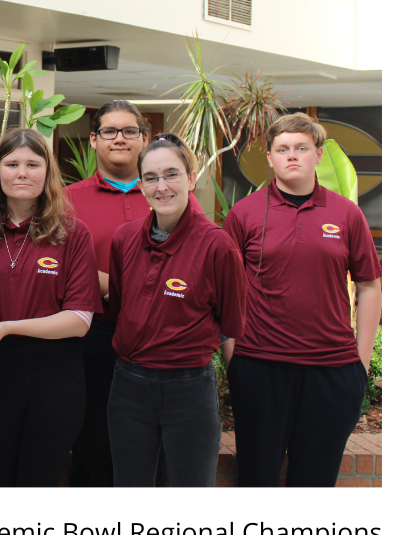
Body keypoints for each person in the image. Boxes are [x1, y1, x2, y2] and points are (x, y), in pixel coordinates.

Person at [222, 113, 382, 487]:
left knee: (314, 484)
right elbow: (224, 289)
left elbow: (369, 285)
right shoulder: (243, 214)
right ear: (270, 158)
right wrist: (234, 357)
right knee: (257, 481)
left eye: (301, 148)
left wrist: (359, 361)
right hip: (259, 368)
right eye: (282, 149)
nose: (291, 156)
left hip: (332, 371)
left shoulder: (347, 214)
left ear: (318, 155)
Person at [0, 128, 101, 487]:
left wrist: (9, 326)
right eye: (12, 163)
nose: (22, 173)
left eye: (33, 164)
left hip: (54, 382)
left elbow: (79, 319)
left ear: (48, 173)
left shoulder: (73, 233)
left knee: (39, 484)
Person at [107, 133, 246, 487]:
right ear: (140, 185)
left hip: (188, 387)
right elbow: (121, 307)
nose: (161, 186)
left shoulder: (217, 245)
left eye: (171, 174)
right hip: (128, 386)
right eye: (151, 178)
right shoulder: (124, 239)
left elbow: (230, 321)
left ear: (190, 178)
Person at [64, 100, 153, 487]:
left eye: (130, 131)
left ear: (144, 139)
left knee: (152, 448)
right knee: (94, 446)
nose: (120, 139)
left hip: (157, 339)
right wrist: (129, 287)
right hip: (94, 338)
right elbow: (62, 270)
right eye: (110, 132)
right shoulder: (67, 200)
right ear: (93, 141)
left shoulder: (167, 192)